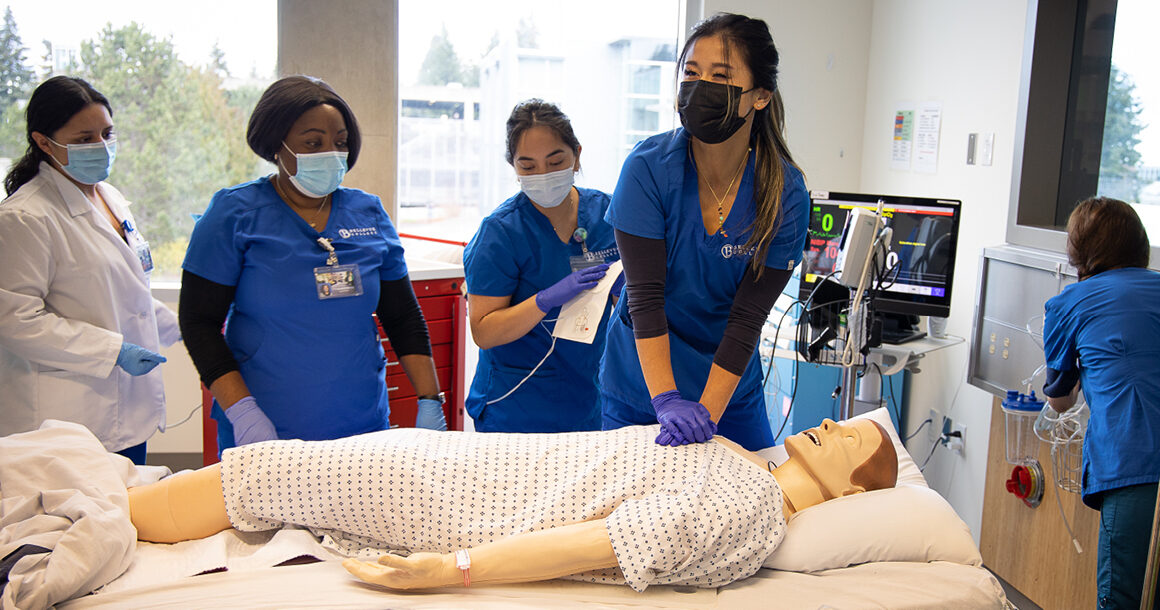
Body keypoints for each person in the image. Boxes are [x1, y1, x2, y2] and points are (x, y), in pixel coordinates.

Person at [128, 417, 897, 592]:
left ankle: (108, 521)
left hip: (458, 499)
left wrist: (453, 571)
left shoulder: (749, 512)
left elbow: (604, 544)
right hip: (466, 465)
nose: (830, 422)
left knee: (268, 476)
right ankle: (112, 508)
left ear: (853, 490)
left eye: (850, 439)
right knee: (278, 476)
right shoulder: (743, 467)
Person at [179, 75, 446, 452]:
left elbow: (402, 317)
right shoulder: (235, 215)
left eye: (340, 143)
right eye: (313, 142)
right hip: (266, 429)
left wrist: (430, 401)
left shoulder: (367, 213)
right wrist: (243, 412)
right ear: (277, 145)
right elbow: (199, 322)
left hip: (362, 425)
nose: (331, 153)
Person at [600, 13, 809, 451]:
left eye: (721, 75)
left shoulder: (783, 192)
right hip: (642, 386)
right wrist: (668, 401)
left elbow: (748, 318)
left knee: (758, 502)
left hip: (729, 389)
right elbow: (645, 298)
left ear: (760, 97)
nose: (700, 87)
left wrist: (706, 418)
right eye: (691, 72)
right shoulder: (648, 170)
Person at [0, 76, 177, 465]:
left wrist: (188, 327)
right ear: (44, 142)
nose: (100, 147)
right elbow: (14, 321)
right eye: (83, 139)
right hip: (66, 415)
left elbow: (129, 294)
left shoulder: (108, 196)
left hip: (126, 409)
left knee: (128, 510)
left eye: (107, 133)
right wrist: (113, 350)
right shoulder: (25, 217)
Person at [462, 100, 620, 432]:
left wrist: (627, 295)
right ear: (513, 166)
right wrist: (543, 301)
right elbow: (484, 331)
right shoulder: (500, 233)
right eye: (528, 166)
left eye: (555, 161)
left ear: (576, 155)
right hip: (515, 404)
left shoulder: (607, 214)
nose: (543, 176)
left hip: (587, 398)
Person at [1042, 196, 1160, 610]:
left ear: (1078, 252)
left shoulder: (1070, 303)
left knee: (1122, 599)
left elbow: (1059, 399)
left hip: (1132, 464)